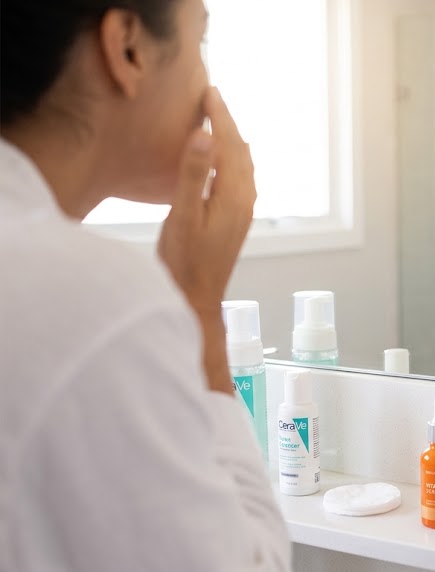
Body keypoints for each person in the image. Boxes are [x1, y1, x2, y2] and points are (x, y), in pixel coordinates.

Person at [0, 0, 291, 569]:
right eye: (200, 41)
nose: (208, 89)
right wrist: (199, 310)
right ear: (127, 47)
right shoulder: (96, 300)